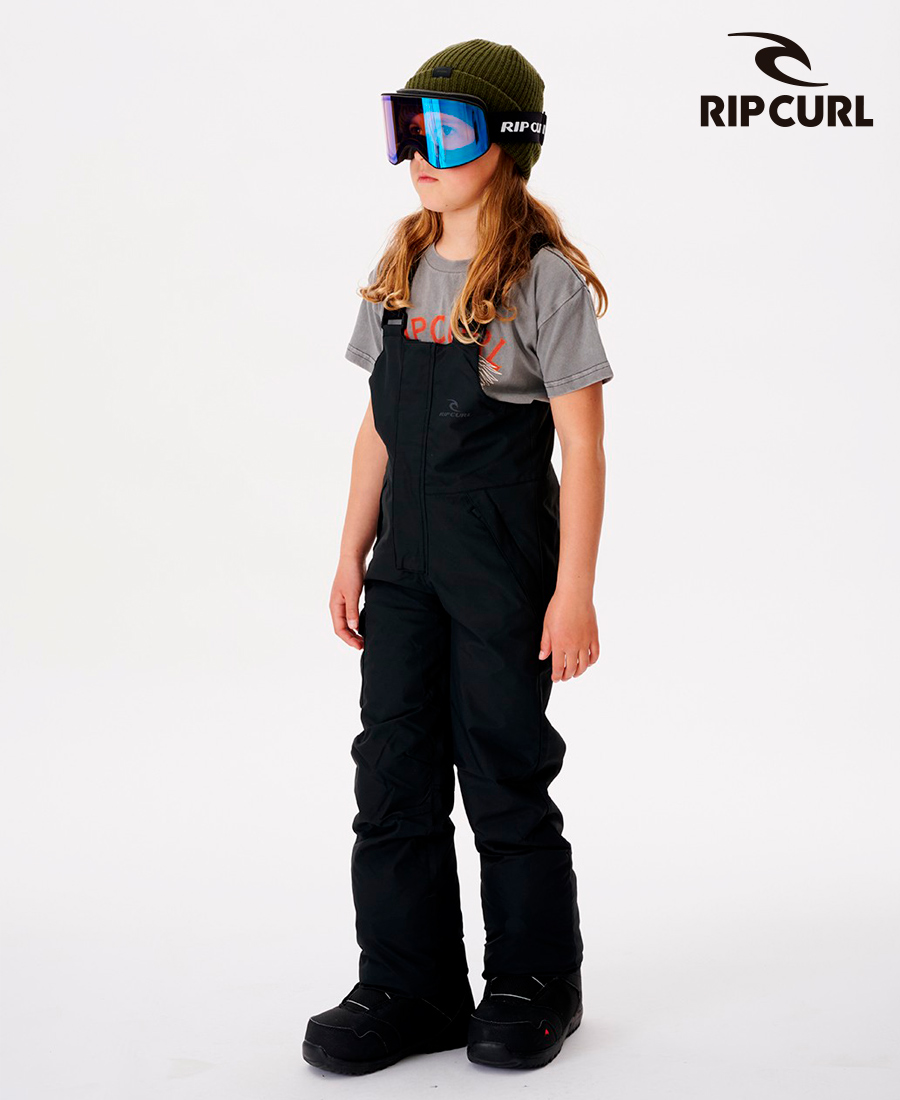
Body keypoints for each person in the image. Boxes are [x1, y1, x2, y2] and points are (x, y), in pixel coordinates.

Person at [303, 38, 613, 1076]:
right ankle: (410, 983)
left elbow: (582, 446)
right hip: (405, 568)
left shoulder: (544, 281)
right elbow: (378, 428)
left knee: (501, 765)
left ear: (508, 142)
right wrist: (350, 551)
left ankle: (536, 979)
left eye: (445, 132)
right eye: (409, 129)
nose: (419, 155)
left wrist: (574, 592)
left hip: (501, 568)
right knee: (392, 768)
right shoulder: (399, 269)